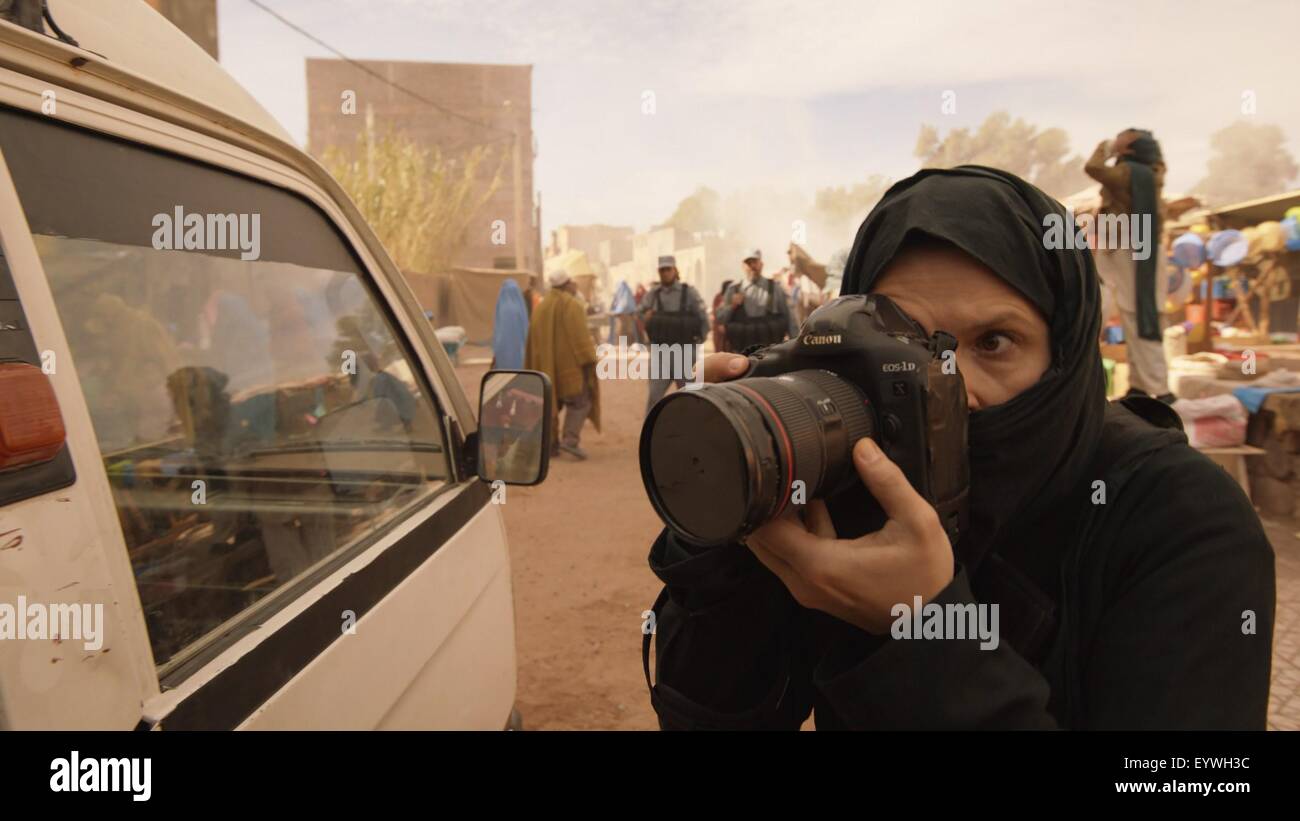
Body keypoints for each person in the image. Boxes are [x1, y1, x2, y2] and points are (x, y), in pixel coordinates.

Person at [643, 166, 1275, 730]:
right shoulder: (844, 479)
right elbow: (708, 713)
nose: (950, 387)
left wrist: (922, 635)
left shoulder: (1183, 520)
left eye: (995, 342)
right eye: (906, 346)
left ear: (1067, 357)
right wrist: (730, 534)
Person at [1085, 128, 1172, 402]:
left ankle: (1158, 388)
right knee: (1131, 313)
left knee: (1138, 315)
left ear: (1131, 146)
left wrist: (1107, 146)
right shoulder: (1147, 172)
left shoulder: (1129, 173)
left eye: (1124, 136)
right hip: (1130, 249)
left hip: (1130, 250)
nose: (1118, 136)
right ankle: (1140, 384)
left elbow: (1093, 167)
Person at [525, 269, 601, 460]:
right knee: (581, 403)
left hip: (547, 371)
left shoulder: (541, 308)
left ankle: (549, 445)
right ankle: (570, 441)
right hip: (570, 371)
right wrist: (589, 360)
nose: (574, 285)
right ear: (566, 284)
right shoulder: (572, 306)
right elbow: (580, 338)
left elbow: (533, 342)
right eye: (571, 282)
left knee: (550, 406)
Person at [638, 255, 710, 413]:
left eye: (668, 269)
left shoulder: (689, 292)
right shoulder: (653, 294)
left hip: (685, 353)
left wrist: (698, 342)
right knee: (654, 399)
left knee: (691, 398)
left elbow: (702, 316)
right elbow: (639, 312)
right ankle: (651, 434)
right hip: (660, 354)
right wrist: (646, 317)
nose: (665, 273)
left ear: (675, 270)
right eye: (662, 270)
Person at [715, 248, 799, 351]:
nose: (752, 266)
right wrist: (732, 306)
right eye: (748, 263)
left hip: (770, 350)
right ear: (743, 266)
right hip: (742, 352)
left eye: (754, 262)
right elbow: (720, 319)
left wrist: (795, 346)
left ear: (761, 264)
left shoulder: (775, 288)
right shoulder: (733, 289)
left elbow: (789, 318)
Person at [490, 279, 529, 370]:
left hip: (503, 349)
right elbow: (525, 328)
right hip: (520, 349)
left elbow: (498, 331)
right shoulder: (520, 307)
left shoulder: (502, 306)